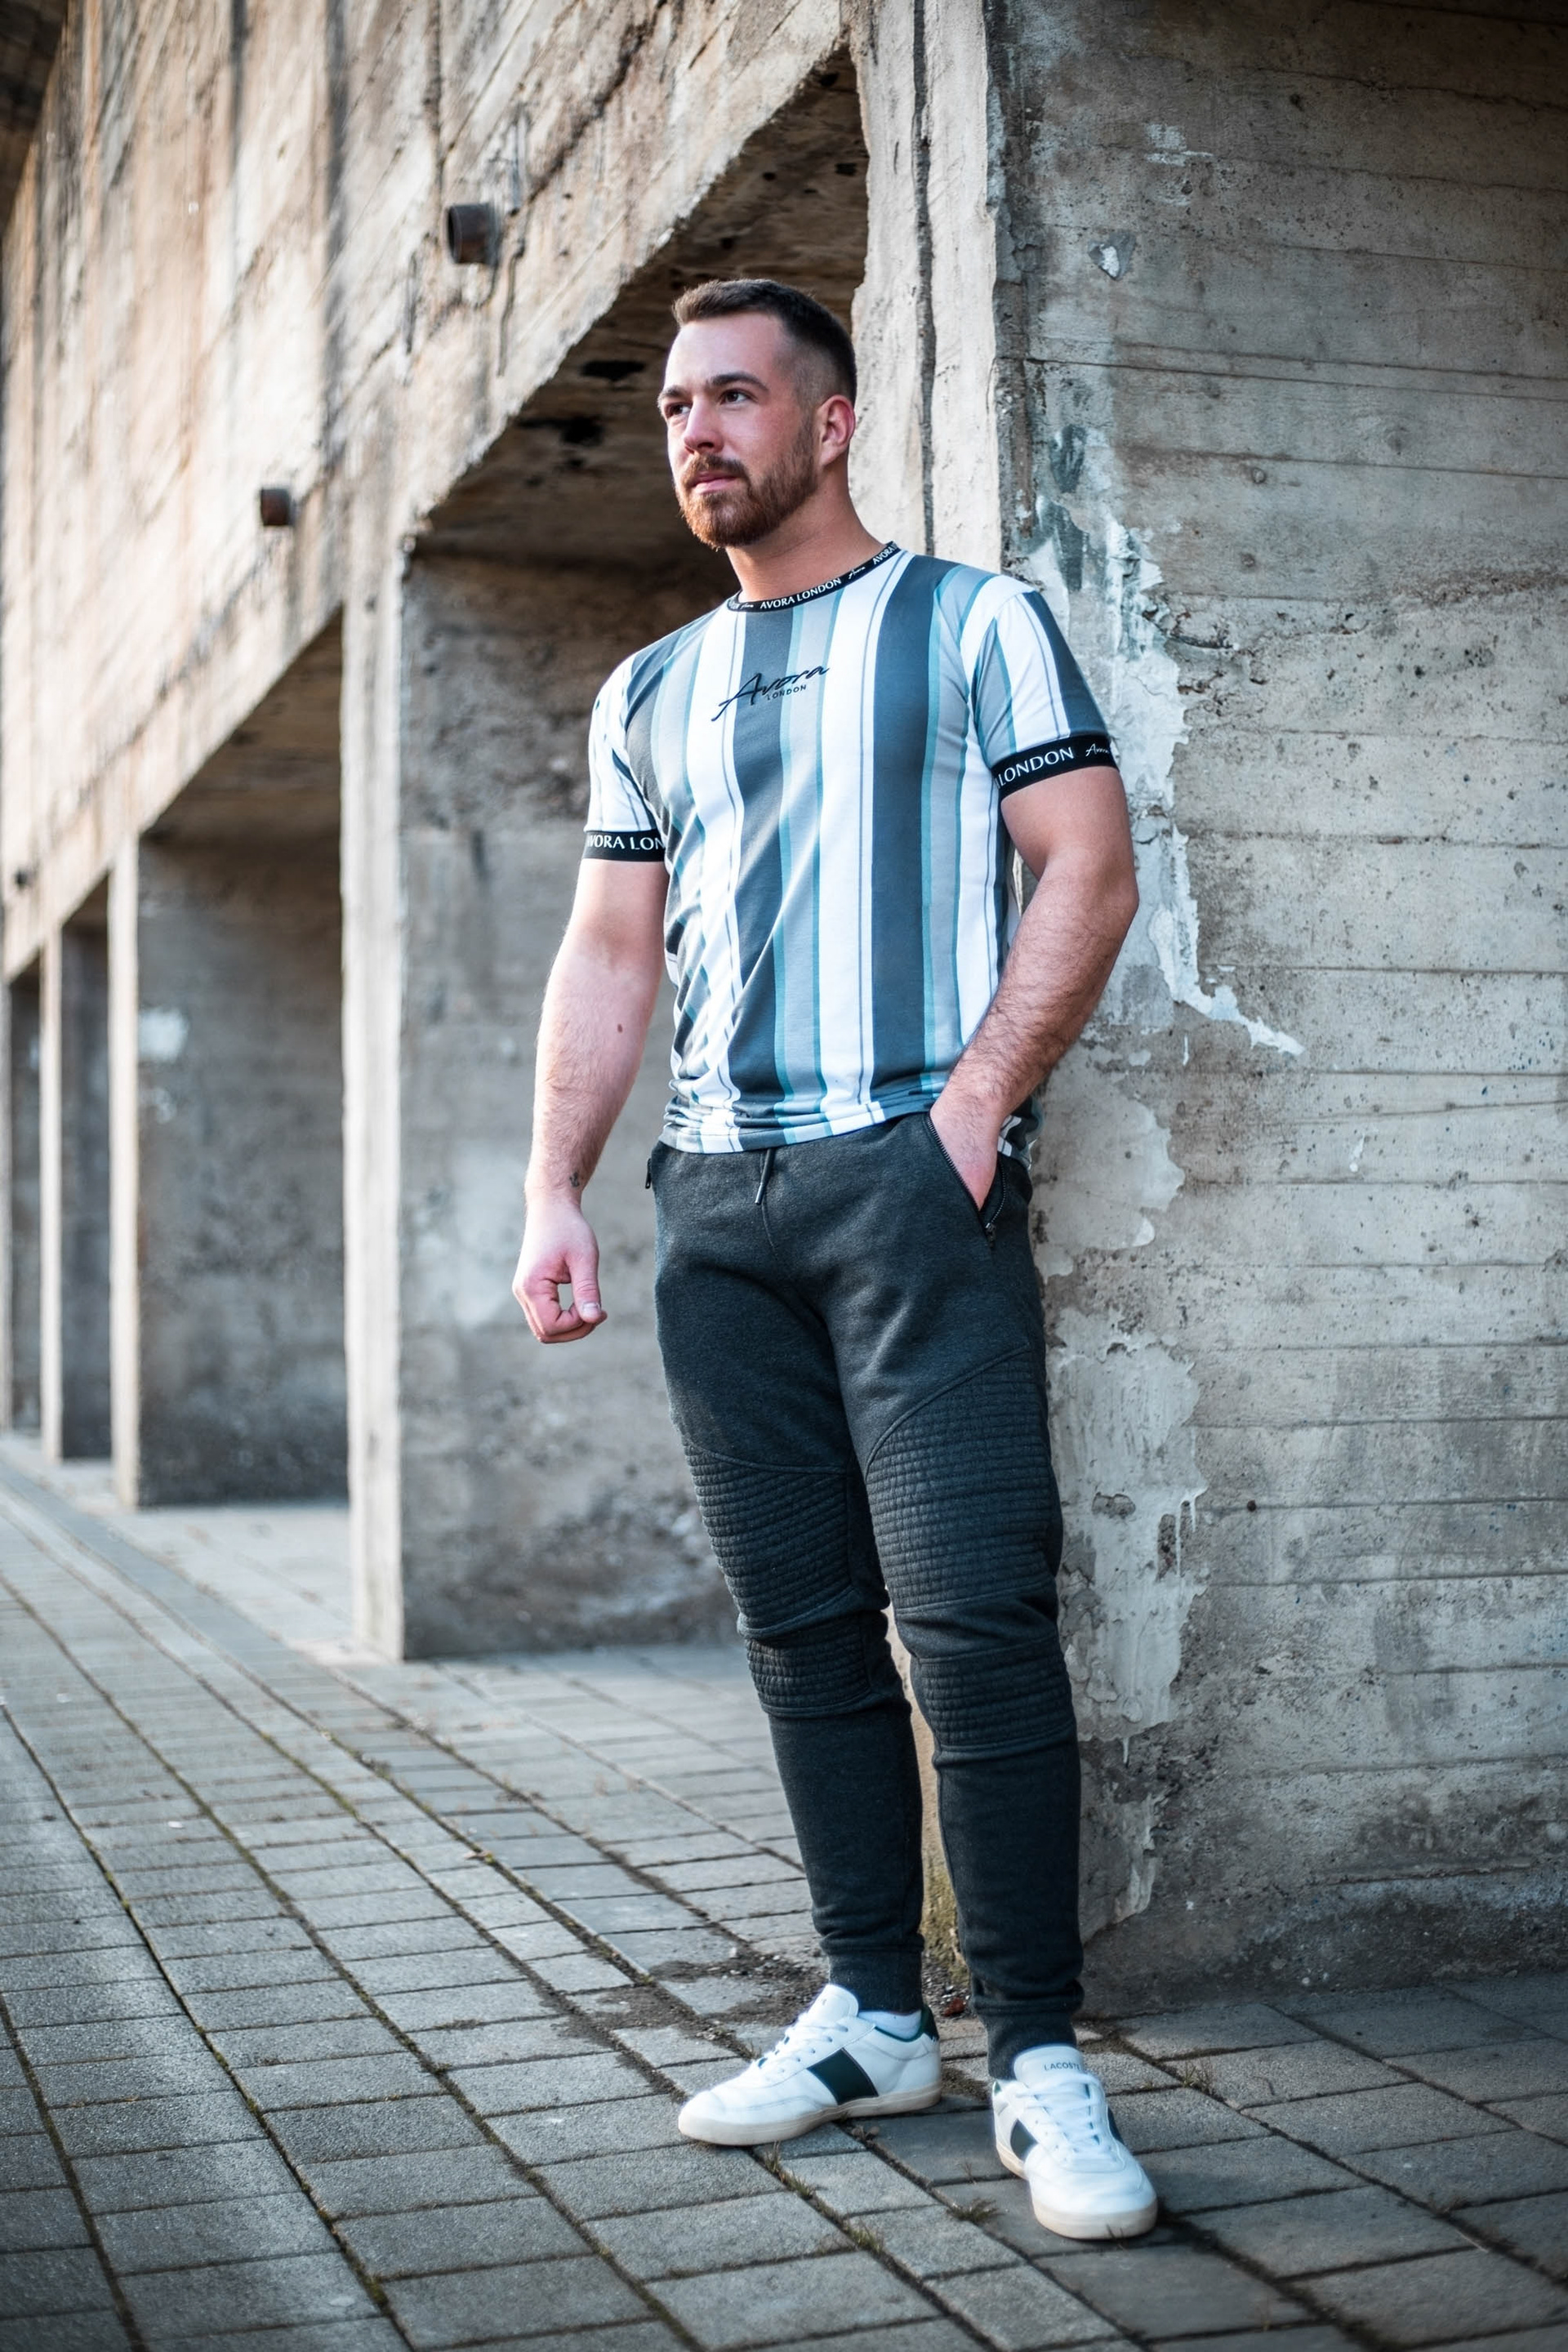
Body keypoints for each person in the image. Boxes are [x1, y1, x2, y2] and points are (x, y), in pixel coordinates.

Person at [512, 277, 1156, 2243]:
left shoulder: (974, 621)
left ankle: (1037, 2056)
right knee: (801, 1631)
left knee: (973, 1625)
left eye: (734, 397)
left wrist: (971, 1115)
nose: (697, 432)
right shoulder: (650, 689)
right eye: (674, 407)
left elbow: (1089, 861)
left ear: (831, 420)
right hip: (720, 1211)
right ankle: (877, 2015)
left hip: (908, 1189)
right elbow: (612, 950)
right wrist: (556, 1187)